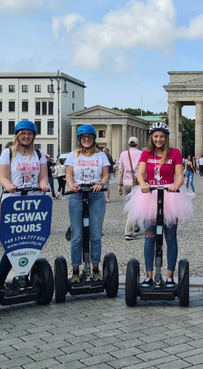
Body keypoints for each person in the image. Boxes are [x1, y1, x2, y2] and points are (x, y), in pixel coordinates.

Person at [123, 122, 192, 288]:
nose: (158, 139)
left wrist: (177, 184)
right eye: (155, 136)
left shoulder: (174, 153)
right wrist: (143, 184)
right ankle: (149, 275)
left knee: (170, 238)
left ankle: (169, 276)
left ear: (166, 137)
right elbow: (140, 174)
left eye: (161, 136)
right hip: (149, 195)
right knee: (149, 237)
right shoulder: (146, 153)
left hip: (170, 195)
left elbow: (179, 175)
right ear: (151, 138)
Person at [0, 121, 51, 286]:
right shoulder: (8, 153)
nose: (26, 136)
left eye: (29, 133)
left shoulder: (39, 154)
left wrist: (43, 184)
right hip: (13, 202)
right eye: (23, 133)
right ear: (17, 135)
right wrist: (8, 185)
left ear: (33, 136)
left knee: (30, 242)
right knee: (13, 243)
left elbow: (43, 176)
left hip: (34, 202)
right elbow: (3, 176)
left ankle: (23, 277)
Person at [65, 125, 109, 282]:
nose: (86, 140)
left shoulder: (100, 156)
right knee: (77, 236)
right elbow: (69, 175)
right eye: (83, 137)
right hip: (77, 196)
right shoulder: (73, 155)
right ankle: (76, 270)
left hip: (96, 196)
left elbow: (105, 176)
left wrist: (101, 184)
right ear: (79, 139)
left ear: (94, 139)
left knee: (95, 235)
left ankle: (95, 269)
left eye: (89, 137)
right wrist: (71, 186)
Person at [119, 136, 143, 240]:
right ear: (137, 145)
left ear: (129, 144)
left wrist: (119, 185)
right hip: (137, 182)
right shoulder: (141, 154)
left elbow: (120, 171)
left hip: (126, 183)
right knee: (134, 207)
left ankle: (136, 226)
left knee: (131, 205)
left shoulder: (123, 154)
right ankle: (128, 232)